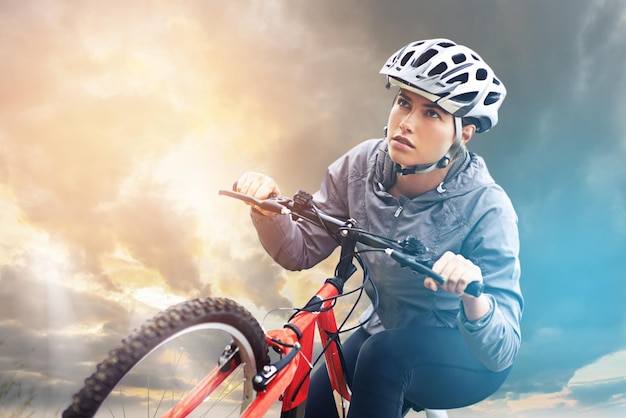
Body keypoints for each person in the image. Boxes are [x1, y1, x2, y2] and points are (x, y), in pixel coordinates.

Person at [235, 38, 523, 417]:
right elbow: (299, 250)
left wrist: (474, 296)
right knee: (313, 392)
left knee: (383, 357)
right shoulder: (360, 167)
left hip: (467, 354)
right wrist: (269, 213)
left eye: (432, 113)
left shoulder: (488, 206)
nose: (406, 123)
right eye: (404, 102)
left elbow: (503, 348)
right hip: (384, 329)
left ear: (463, 133)